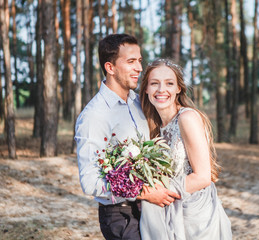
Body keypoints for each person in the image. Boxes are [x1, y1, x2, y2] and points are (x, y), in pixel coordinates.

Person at [74, 34, 180, 240]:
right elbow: (90, 182)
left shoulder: (138, 102)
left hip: (151, 209)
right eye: (131, 62)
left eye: (139, 60)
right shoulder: (94, 116)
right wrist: (144, 192)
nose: (139, 68)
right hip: (121, 215)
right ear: (110, 68)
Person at [139, 58, 232, 239]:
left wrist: (156, 190)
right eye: (154, 83)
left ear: (178, 88)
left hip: (196, 218)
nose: (161, 90)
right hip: (173, 210)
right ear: (147, 89)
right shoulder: (155, 126)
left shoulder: (187, 118)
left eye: (169, 83)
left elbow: (203, 177)